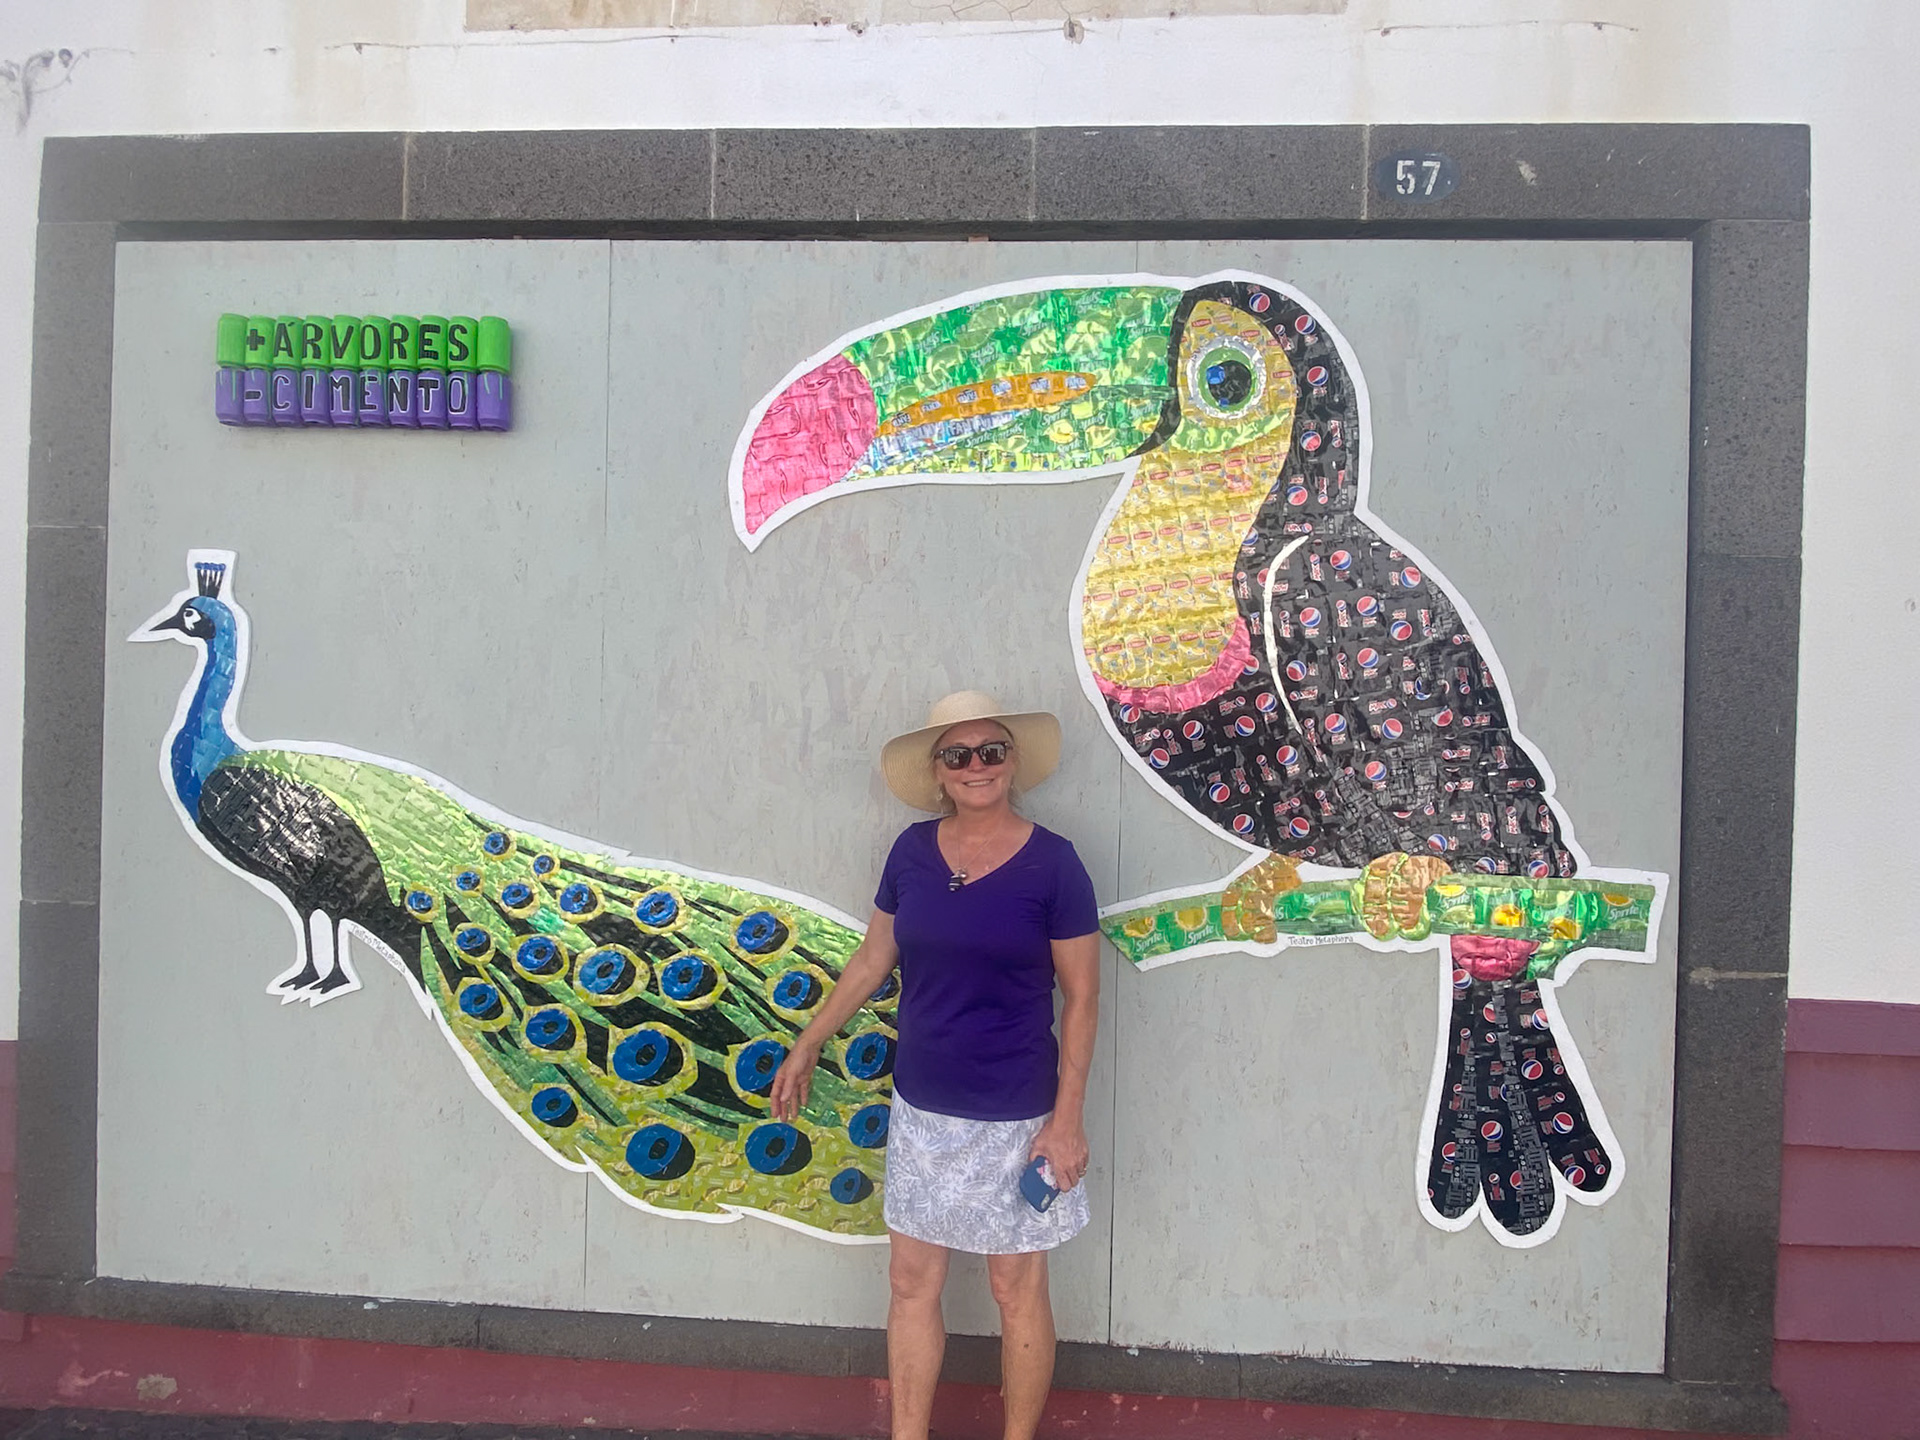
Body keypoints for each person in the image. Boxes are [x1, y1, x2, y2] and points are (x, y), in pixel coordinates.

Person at [770, 690, 1100, 1440]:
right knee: (911, 1282)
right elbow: (872, 958)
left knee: (1016, 1286)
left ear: (1012, 762)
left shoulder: (1055, 865)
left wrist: (1067, 1121)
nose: (976, 766)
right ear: (939, 772)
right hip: (922, 1109)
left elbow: (1083, 999)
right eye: (958, 754)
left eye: (991, 750)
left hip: (1018, 1114)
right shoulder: (911, 852)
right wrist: (810, 1039)